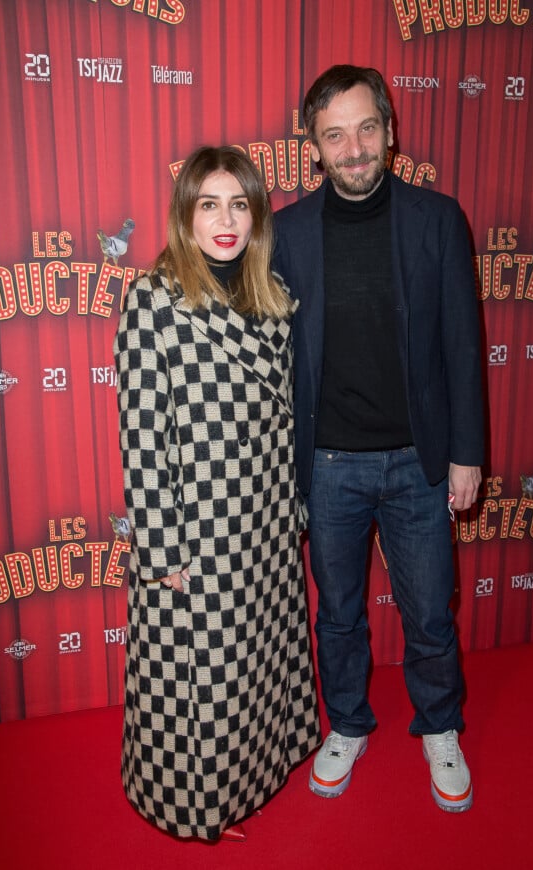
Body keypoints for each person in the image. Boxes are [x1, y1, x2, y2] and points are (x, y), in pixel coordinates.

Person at [273, 65, 484, 813]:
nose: (354, 147)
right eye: (335, 134)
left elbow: (463, 342)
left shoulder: (436, 218)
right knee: (336, 613)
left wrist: (466, 453)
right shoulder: (288, 231)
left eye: (366, 128)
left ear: (391, 131)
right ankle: (349, 724)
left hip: (420, 462)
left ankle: (439, 722)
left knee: (429, 608)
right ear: (316, 147)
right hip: (327, 465)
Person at [114, 145, 321, 843]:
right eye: (210, 204)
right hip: (197, 523)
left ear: (257, 215)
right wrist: (160, 546)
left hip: (262, 515)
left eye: (240, 204)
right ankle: (194, 801)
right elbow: (142, 435)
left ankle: (262, 768)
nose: (226, 220)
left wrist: (293, 506)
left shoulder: (274, 298)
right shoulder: (153, 300)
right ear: (186, 216)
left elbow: (287, 418)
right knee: (202, 672)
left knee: (259, 655)